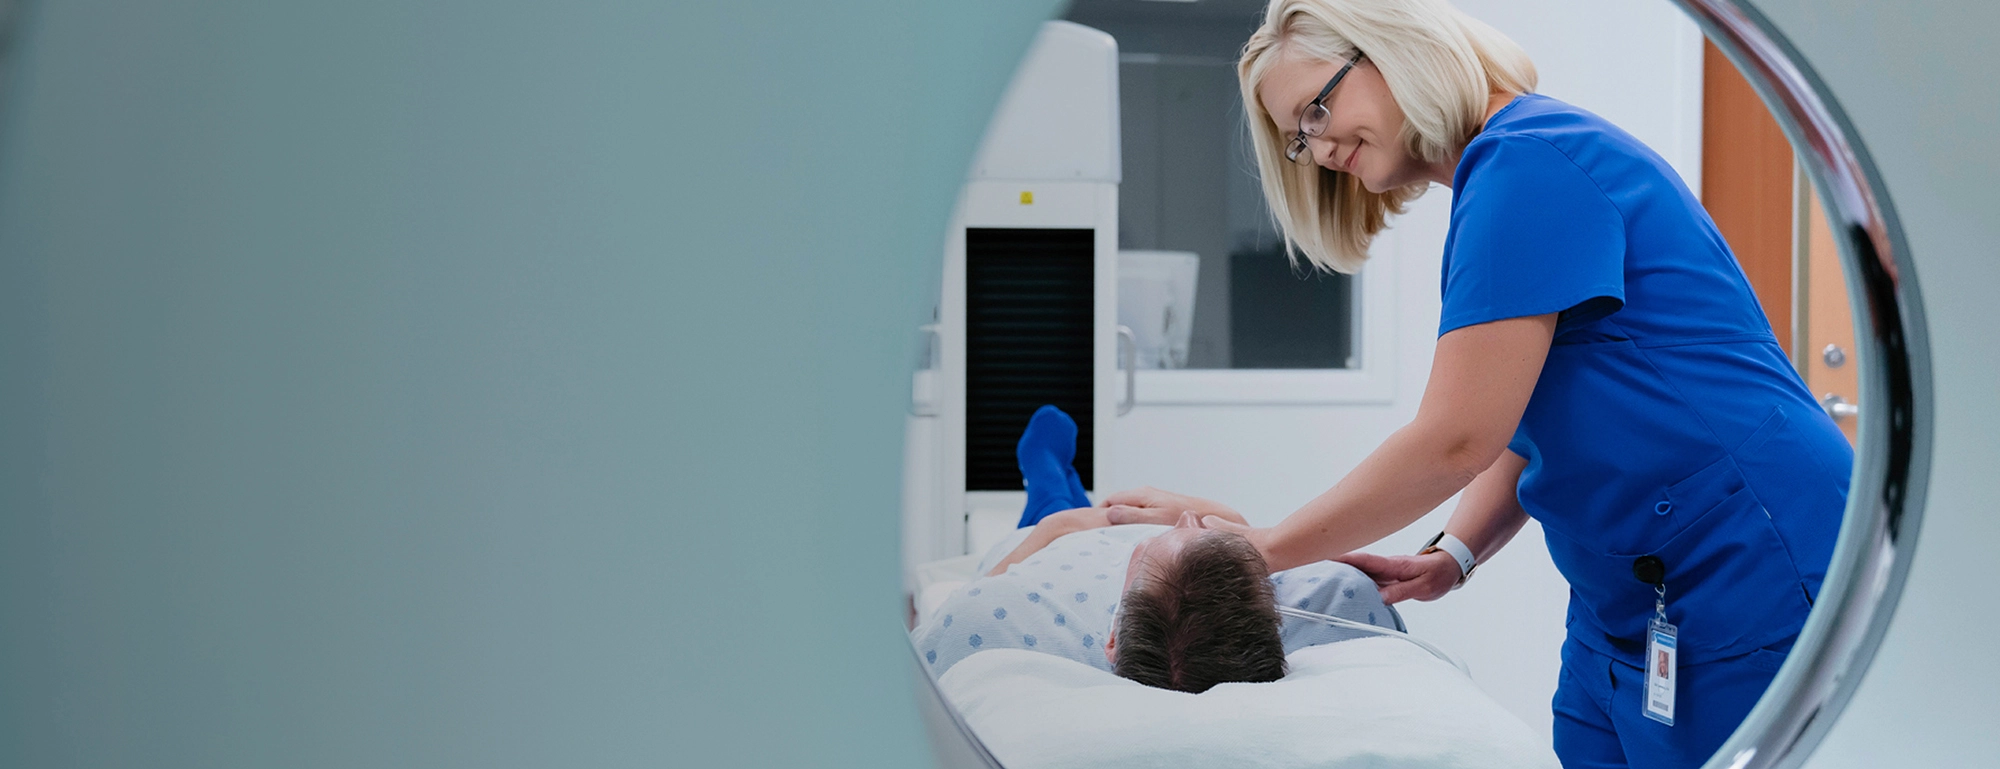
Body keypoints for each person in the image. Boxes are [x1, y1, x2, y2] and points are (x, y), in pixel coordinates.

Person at [1100, 2, 1851, 768]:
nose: (1319, 148)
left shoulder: (1530, 162)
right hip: (1621, 594)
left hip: (1747, 554)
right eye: (1300, 136)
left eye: (1317, 110)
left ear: (1394, 52)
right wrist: (1454, 552)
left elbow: (1458, 437)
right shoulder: (1502, 178)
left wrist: (1258, 550)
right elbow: (1520, 419)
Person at [913, 407, 1400, 693]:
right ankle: (1061, 481)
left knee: (1053, 501)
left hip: (1060, 545)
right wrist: (1206, 516)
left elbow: (968, 603)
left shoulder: (1011, 610)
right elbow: (1248, 540)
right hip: (1121, 539)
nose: (1188, 519)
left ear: (1111, 639)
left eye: (1146, 551)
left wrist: (1062, 530)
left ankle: (1044, 479)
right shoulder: (1331, 608)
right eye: (1209, 535)